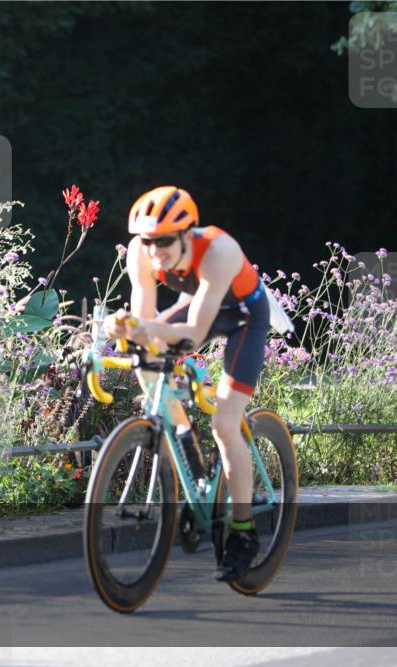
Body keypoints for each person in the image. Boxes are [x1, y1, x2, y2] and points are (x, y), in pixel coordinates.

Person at [103, 185, 269, 582]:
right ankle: (187, 449)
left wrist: (145, 329)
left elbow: (194, 334)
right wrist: (129, 330)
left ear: (185, 235)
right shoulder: (141, 252)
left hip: (243, 316)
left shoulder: (218, 250)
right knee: (147, 359)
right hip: (199, 308)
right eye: (148, 242)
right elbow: (146, 321)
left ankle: (243, 534)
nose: (155, 251)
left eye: (164, 242)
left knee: (225, 423)